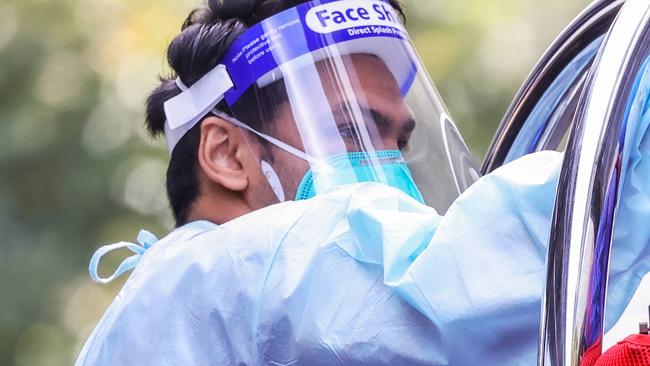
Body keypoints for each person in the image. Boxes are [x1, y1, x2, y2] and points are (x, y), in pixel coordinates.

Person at [76, 0, 649, 364]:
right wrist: (632, 153)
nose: (387, 171)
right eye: (349, 130)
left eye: (396, 143)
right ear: (227, 155)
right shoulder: (222, 275)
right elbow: (450, 294)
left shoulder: (181, 318)